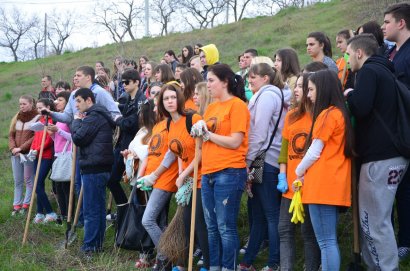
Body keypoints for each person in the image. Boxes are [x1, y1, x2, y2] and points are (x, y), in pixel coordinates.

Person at [345, 34, 409, 270]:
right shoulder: (387, 71)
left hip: (379, 158)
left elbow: (361, 107)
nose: (348, 59)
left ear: (359, 53)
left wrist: (350, 94)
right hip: (394, 155)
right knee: (378, 219)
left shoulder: (370, 71)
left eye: (349, 54)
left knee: (374, 221)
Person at [191, 64, 249, 271]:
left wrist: (208, 134)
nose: (208, 85)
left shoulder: (237, 106)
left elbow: (235, 141)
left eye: (211, 80)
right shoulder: (212, 107)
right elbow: (205, 140)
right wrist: (199, 131)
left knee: (225, 226)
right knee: (212, 226)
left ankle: (228, 267)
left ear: (225, 82)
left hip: (229, 171)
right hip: (208, 172)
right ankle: (214, 266)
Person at [296, 69, 354, 271]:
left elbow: (314, 152)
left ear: (322, 89)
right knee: (329, 240)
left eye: (311, 90)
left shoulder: (328, 114)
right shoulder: (340, 113)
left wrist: (298, 171)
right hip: (333, 184)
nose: (309, 95)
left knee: (326, 242)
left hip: (322, 186)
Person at [149, 82, 209, 270]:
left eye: (173, 97)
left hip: (200, 177)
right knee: (185, 224)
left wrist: (184, 175)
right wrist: (181, 172)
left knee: (199, 223)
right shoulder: (169, 123)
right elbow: (177, 151)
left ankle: (208, 264)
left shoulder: (193, 118)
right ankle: (183, 265)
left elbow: (200, 152)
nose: (170, 101)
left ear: (179, 99)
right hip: (187, 178)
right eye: (166, 98)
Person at [238, 63, 291, 271]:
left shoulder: (268, 95)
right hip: (263, 159)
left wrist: (247, 162)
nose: (250, 81)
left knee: (270, 214)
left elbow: (259, 133)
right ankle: (248, 262)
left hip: (266, 160)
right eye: (249, 77)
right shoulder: (265, 94)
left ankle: (273, 262)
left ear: (266, 78)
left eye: (254, 77)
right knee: (259, 215)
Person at [277, 72, 322, 271]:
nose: (296, 89)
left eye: (302, 86)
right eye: (296, 86)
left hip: (310, 185)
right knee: (284, 229)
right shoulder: (291, 115)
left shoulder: (320, 116)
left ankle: (311, 267)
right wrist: (282, 174)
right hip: (290, 185)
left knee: (308, 233)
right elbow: (284, 150)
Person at [133, 97, 178, 268]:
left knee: (148, 220)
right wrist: (144, 175)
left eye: (156, 107)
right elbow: (151, 154)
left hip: (164, 179)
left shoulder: (170, 124)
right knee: (159, 221)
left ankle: (166, 255)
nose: (153, 110)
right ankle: (163, 260)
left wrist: (155, 175)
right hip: (152, 179)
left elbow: (171, 154)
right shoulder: (158, 126)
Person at [71, 87, 115, 255]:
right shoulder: (96, 116)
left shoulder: (94, 117)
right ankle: (96, 245)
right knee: (97, 208)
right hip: (98, 167)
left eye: (79, 101)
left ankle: (90, 247)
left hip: (94, 168)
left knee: (91, 210)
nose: (76, 105)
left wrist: (76, 121)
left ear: (89, 100)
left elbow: (78, 138)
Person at [383, 3, 410, 260]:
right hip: (393, 132)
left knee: (406, 190)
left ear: (401, 23)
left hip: (406, 130)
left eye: (387, 22)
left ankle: (406, 241)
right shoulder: (392, 53)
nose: (384, 27)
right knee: (396, 188)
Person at [108, 68, 146, 210]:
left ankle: (134, 215)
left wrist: (118, 119)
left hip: (134, 148)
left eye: (127, 82)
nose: (123, 84)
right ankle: (124, 210)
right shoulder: (130, 99)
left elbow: (132, 124)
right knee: (112, 180)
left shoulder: (142, 101)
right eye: (122, 82)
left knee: (135, 185)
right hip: (122, 146)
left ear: (136, 82)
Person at [9, 95, 39, 215]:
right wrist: (13, 148)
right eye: (20, 104)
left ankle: (26, 205)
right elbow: (11, 134)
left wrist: (21, 148)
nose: (22, 106)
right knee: (18, 181)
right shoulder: (17, 117)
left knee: (29, 180)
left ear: (31, 104)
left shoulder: (37, 117)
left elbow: (34, 137)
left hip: (28, 154)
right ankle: (16, 205)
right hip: (15, 154)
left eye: (24, 104)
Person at [30, 98, 58, 224]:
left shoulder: (51, 121)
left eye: (41, 107)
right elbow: (36, 138)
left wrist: (38, 149)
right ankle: (40, 213)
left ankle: (51, 212)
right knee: (37, 184)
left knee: (38, 182)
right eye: (38, 108)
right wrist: (32, 150)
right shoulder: (40, 121)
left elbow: (48, 140)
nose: (39, 110)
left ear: (48, 107)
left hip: (46, 156)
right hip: (36, 156)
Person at [47, 91, 72, 220]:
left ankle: (69, 214)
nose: (57, 102)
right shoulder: (58, 118)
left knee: (66, 186)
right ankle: (62, 213)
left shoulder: (68, 118)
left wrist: (59, 130)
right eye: (57, 100)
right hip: (57, 154)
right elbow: (57, 140)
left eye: (60, 100)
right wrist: (52, 133)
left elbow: (73, 137)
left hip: (67, 155)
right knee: (58, 186)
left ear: (68, 102)